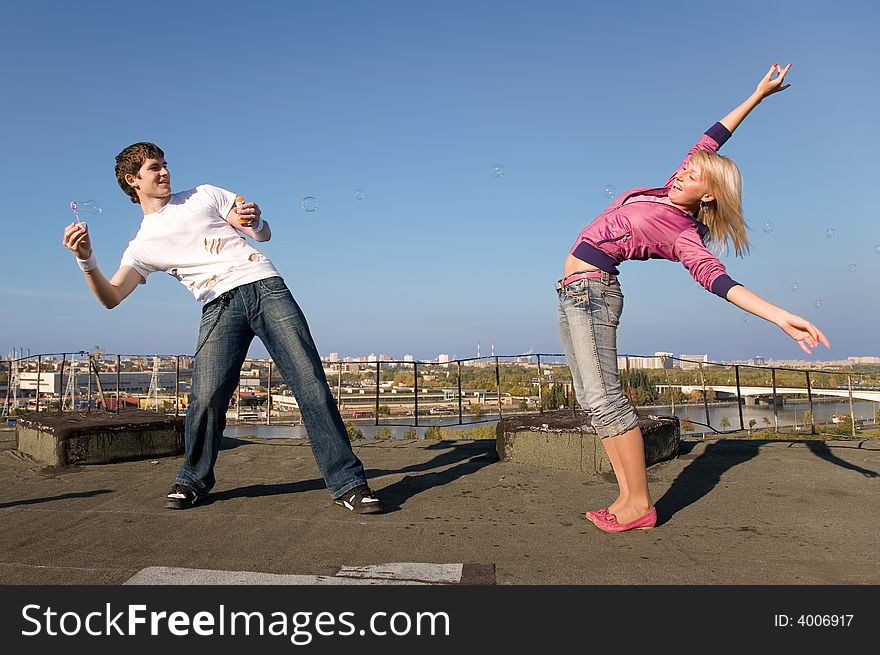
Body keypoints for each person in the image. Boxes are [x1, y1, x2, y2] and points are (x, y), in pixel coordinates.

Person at [557, 64, 829, 533]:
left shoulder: (682, 233)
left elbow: (718, 280)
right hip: (573, 293)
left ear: (709, 196)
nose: (684, 170)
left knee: (606, 399)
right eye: (686, 166)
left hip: (593, 294)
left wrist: (778, 316)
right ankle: (626, 497)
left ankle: (639, 504)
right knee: (591, 398)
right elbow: (712, 137)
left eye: (694, 174)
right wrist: (757, 95)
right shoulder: (666, 193)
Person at [62, 143, 383, 514]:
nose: (165, 172)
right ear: (133, 180)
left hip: (265, 286)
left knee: (310, 385)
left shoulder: (203, 194)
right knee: (207, 397)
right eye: (155, 168)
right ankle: (193, 480)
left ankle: (349, 484)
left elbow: (260, 234)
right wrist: (86, 260)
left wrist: (257, 221)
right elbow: (112, 296)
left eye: (166, 165)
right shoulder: (141, 246)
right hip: (217, 306)